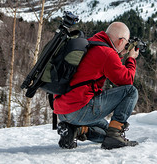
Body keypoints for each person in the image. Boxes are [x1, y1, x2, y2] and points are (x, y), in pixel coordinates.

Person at [53, 21, 139, 149]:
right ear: (121, 41)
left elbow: (104, 63)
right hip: (79, 109)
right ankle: (115, 136)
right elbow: (127, 80)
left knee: (105, 130)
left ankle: (74, 131)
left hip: (63, 111)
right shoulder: (106, 53)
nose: (126, 46)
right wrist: (131, 59)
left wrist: (119, 55)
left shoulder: (91, 43)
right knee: (131, 91)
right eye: (126, 43)